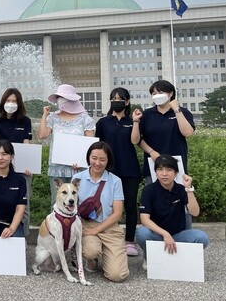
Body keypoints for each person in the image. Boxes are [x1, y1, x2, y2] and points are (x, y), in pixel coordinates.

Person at [135, 154, 209, 268]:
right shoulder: (148, 190)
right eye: (160, 169)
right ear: (155, 172)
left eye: (169, 170)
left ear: (175, 173)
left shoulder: (180, 189)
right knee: (142, 233)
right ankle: (149, 257)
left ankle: (180, 258)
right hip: (158, 235)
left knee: (201, 237)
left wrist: (188, 189)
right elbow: (144, 219)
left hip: (178, 235)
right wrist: (165, 234)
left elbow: (195, 212)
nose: (164, 174)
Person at [72, 141, 129, 282]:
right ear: (88, 158)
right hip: (87, 225)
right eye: (94, 158)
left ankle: (109, 256)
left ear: (108, 160)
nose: (97, 163)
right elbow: (71, 207)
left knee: (117, 276)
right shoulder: (77, 178)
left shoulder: (115, 181)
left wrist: (96, 230)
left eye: (102, 159)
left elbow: (117, 213)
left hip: (110, 227)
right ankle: (92, 260)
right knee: (91, 251)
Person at [95, 87, 141, 257]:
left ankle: (129, 241)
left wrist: (136, 122)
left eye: (120, 98)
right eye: (113, 98)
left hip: (130, 170)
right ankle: (103, 238)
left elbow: (135, 141)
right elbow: (96, 146)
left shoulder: (132, 121)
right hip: (108, 170)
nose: (116, 101)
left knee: (129, 206)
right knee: (104, 205)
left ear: (127, 101)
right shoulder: (103, 122)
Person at [0, 87, 33, 237]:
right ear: (3, 102)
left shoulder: (25, 121)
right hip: (2, 165)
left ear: (19, 103)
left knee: (24, 207)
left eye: (14, 101)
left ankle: (23, 238)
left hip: (21, 168)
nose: (11, 103)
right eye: (8, 100)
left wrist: (28, 165)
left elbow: (27, 143)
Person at [39, 84, 95, 206]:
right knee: (57, 201)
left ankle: (78, 225)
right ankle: (56, 225)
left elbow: (90, 144)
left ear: (71, 100)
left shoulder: (84, 118)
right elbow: (43, 135)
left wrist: (81, 162)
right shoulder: (53, 117)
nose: (60, 101)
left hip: (78, 169)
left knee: (77, 202)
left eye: (63, 98)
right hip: (56, 168)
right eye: (59, 98)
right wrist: (45, 115)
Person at [131, 80, 195, 182]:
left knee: (177, 196)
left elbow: (187, 133)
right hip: (153, 165)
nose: (157, 96)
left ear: (170, 94)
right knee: (153, 195)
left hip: (176, 165)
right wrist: (151, 152)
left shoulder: (183, 112)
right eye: (154, 93)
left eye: (160, 92)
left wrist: (176, 110)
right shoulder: (147, 114)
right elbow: (137, 140)